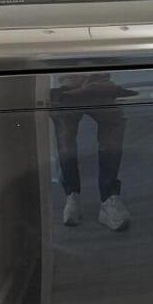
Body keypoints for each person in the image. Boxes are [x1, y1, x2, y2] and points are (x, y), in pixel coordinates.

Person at [49, 87, 129, 232]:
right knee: (64, 130)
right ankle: (72, 196)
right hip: (69, 84)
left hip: (96, 83)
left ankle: (107, 199)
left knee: (113, 121)